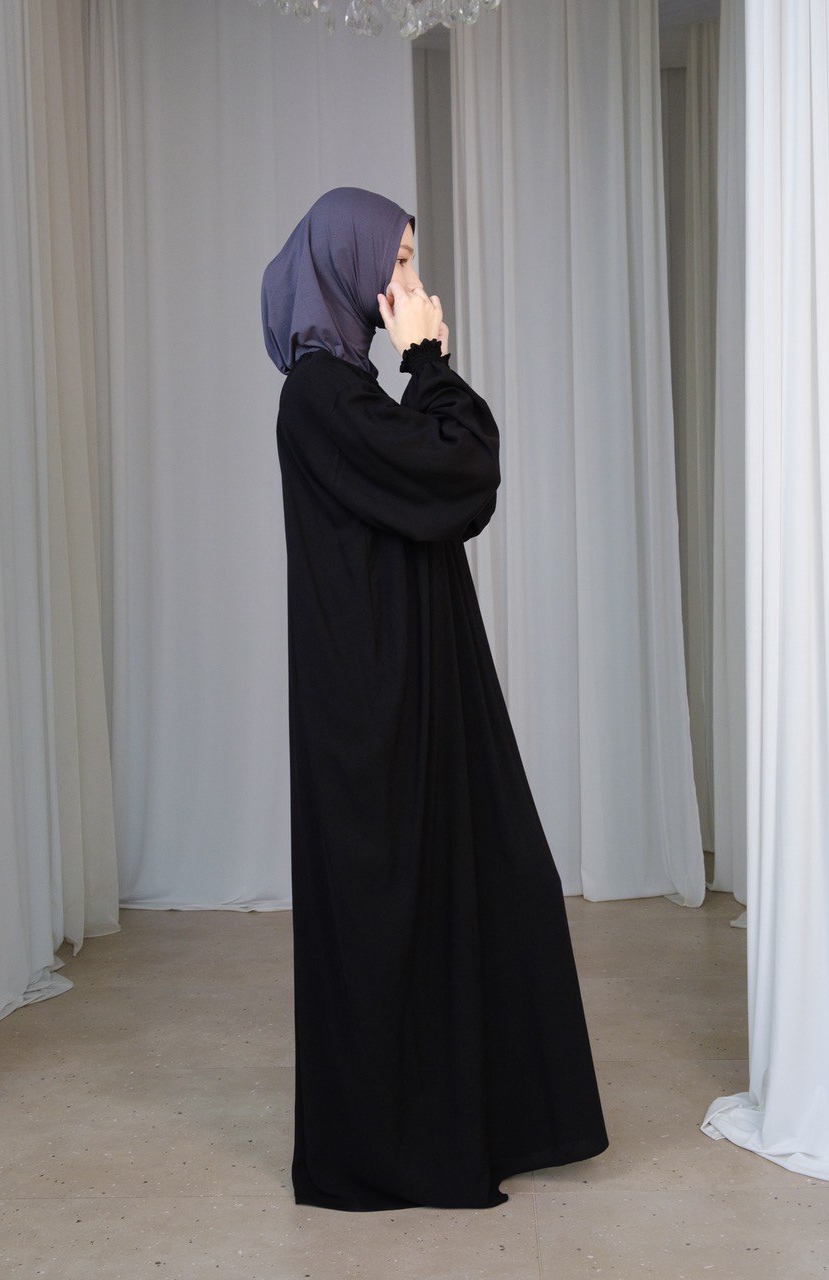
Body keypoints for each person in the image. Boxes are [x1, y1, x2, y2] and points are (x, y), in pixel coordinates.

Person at [261, 186, 609, 1212]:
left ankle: (473, 1118)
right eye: (399, 261)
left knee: (481, 885)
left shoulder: (346, 392)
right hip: (375, 702)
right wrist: (427, 359)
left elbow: (451, 487)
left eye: (411, 262)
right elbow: (462, 468)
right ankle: (396, 1149)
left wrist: (417, 368)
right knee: (394, 908)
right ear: (347, 265)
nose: (413, 284)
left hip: (409, 681)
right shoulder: (322, 395)